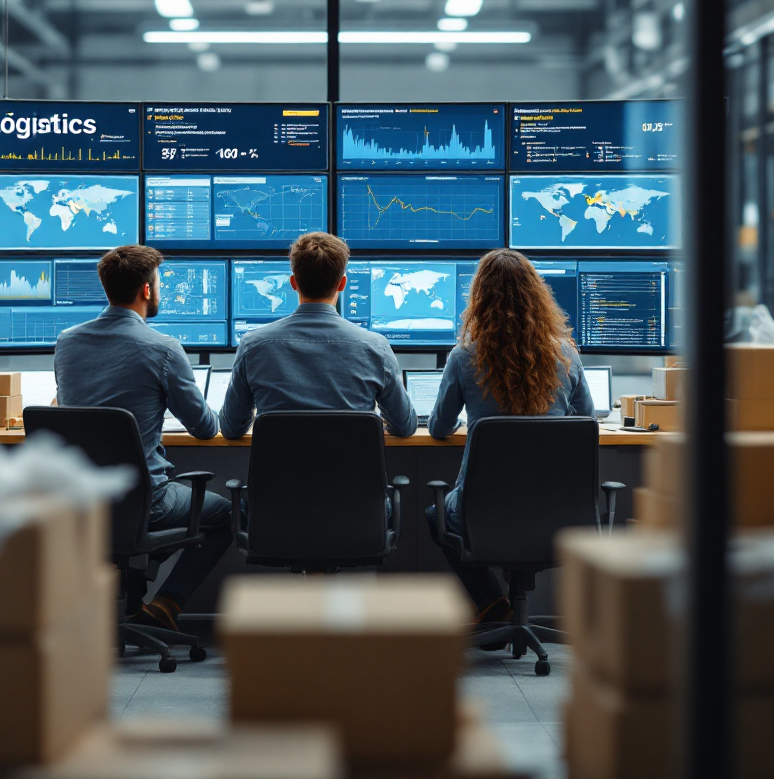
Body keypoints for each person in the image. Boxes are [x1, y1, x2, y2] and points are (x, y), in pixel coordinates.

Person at [54, 244, 231, 632]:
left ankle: (130, 604)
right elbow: (204, 427)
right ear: (147, 290)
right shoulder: (163, 348)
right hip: (145, 503)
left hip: (79, 499)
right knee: (223, 514)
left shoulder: (67, 342)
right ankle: (166, 604)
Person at [425, 248, 594, 624]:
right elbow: (586, 422)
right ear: (538, 296)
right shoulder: (566, 354)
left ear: (479, 299)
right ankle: (501, 609)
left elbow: (438, 428)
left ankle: (492, 604)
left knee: (434, 513)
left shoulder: (464, 357)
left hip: (479, 512)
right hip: (555, 510)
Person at [220, 231, 418, 439]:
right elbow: (405, 426)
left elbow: (231, 429)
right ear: (342, 284)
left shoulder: (253, 346)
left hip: (279, 472)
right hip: (351, 472)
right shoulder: (376, 347)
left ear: (293, 283)